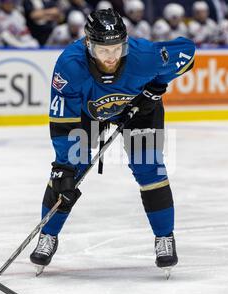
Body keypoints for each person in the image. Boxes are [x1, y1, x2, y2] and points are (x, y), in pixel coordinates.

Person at [30, 8, 196, 276]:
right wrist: (65, 165)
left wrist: (156, 87)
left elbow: (187, 53)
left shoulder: (143, 56)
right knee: (69, 173)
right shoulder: (70, 65)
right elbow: (63, 120)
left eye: (117, 49)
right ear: (88, 45)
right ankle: (48, 235)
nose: (111, 57)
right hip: (86, 114)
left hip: (139, 112)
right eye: (103, 50)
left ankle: (164, 237)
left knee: (149, 167)